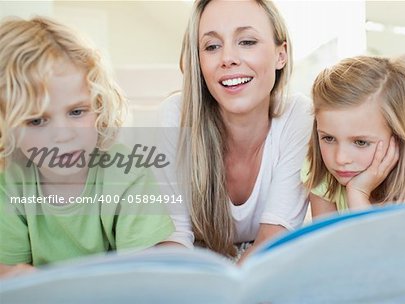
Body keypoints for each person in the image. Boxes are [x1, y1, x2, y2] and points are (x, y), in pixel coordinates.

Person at [0, 16, 174, 277]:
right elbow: (11, 275)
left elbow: (142, 273)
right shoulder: (10, 182)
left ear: (99, 106)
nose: (64, 135)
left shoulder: (127, 174)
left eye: (77, 112)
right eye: (37, 120)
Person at [158, 0, 312, 258]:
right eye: (212, 46)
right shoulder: (175, 116)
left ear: (280, 54)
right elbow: (173, 241)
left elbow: (271, 242)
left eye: (247, 42)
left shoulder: (298, 115)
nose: (227, 58)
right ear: (198, 62)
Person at [302, 56, 405, 218]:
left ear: (397, 136)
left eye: (360, 142)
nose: (340, 159)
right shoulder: (324, 176)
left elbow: (376, 244)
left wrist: (358, 195)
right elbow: (327, 242)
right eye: (329, 138)